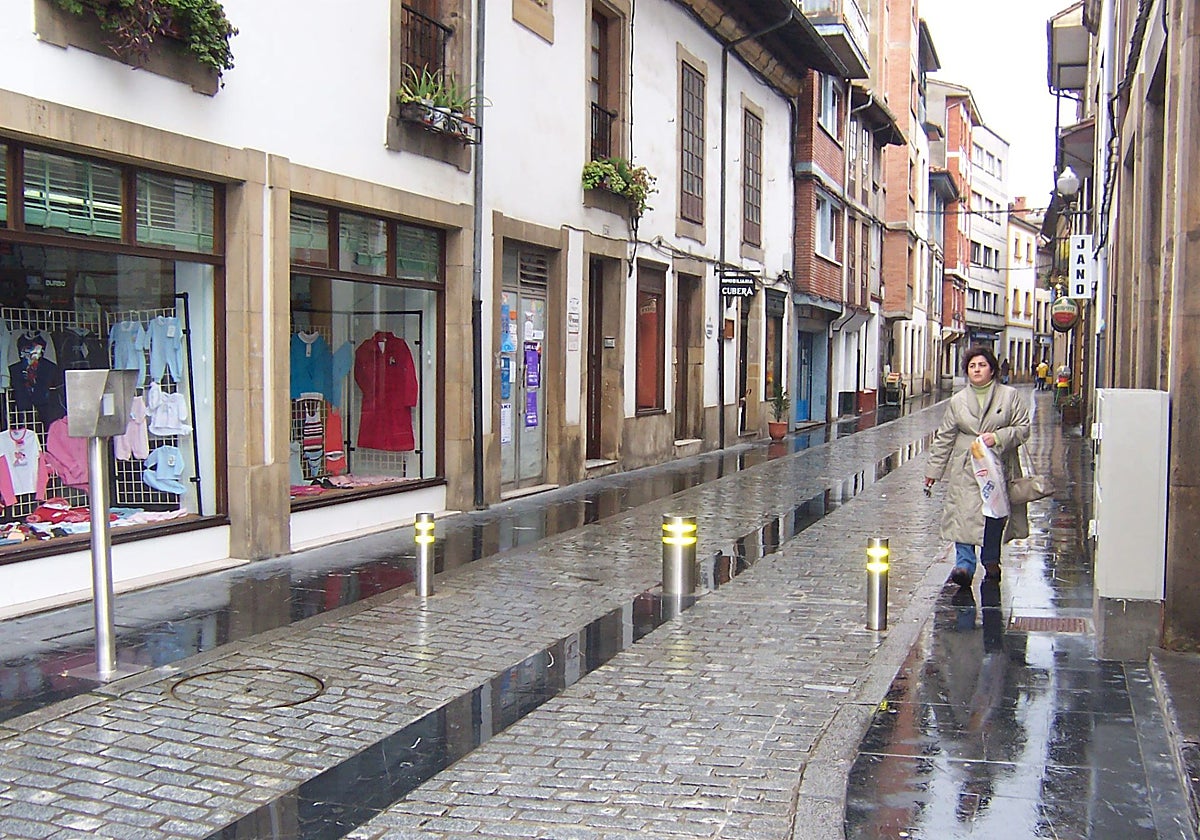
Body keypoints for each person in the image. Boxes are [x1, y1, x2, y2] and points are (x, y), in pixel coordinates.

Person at [924, 346, 1031, 587]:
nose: (977, 370)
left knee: (993, 513)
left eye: (982, 365)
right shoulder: (958, 401)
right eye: (972, 366)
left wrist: (998, 437)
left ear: (992, 369)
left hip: (998, 465)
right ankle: (964, 565)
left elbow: (1023, 428)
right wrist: (933, 471)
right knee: (963, 513)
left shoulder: (1009, 396)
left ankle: (991, 559)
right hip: (967, 467)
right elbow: (945, 437)